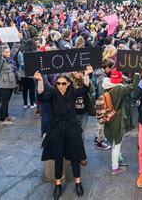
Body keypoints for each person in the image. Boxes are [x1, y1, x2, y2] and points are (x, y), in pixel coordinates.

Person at [35, 65, 93, 200]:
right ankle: (58, 184)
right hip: (57, 128)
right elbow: (41, 96)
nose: (60, 85)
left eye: (63, 83)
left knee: (74, 156)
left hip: (71, 128)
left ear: (68, 84)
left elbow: (84, 90)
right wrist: (39, 80)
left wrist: (87, 74)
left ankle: (78, 182)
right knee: (58, 157)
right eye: (58, 83)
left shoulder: (72, 91)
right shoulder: (54, 93)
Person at [101, 68, 136, 175]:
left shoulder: (107, 86)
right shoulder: (119, 89)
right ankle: (115, 167)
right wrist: (138, 74)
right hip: (116, 120)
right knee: (117, 145)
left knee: (113, 142)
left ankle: (119, 159)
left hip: (108, 119)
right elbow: (133, 87)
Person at [0, 42, 19, 126]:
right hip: (4, 83)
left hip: (11, 82)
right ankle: (2, 120)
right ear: (3, 53)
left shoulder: (10, 59)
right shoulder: (0, 60)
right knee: (4, 102)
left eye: (8, 52)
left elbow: (14, 50)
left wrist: (17, 41)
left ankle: (6, 115)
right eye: (6, 52)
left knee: (7, 101)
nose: (8, 53)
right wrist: (0, 45)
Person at [91, 59, 114, 149]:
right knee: (101, 122)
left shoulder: (96, 73)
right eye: (110, 68)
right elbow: (101, 92)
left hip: (96, 101)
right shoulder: (102, 78)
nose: (111, 70)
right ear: (107, 67)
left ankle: (98, 139)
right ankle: (99, 141)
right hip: (101, 102)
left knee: (100, 121)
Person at [18, 40, 38, 108]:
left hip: (22, 74)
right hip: (31, 73)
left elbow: (20, 63)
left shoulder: (21, 52)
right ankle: (32, 103)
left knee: (25, 89)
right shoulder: (34, 53)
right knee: (32, 89)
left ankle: (25, 104)